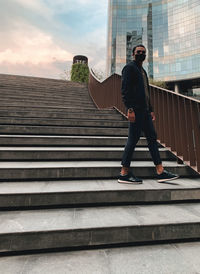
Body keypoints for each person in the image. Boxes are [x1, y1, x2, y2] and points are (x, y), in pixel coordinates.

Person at [118, 44, 179, 184]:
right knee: (133, 140)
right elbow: (124, 90)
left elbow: (146, 93)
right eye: (138, 52)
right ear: (133, 54)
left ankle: (160, 171)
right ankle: (124, 172)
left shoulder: (143, 71)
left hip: (145, 112)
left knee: (152, 138)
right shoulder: (129, 68)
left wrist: (151, 109)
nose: (141, 54)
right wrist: (130, 109)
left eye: (143, 52)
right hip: (136, 111)